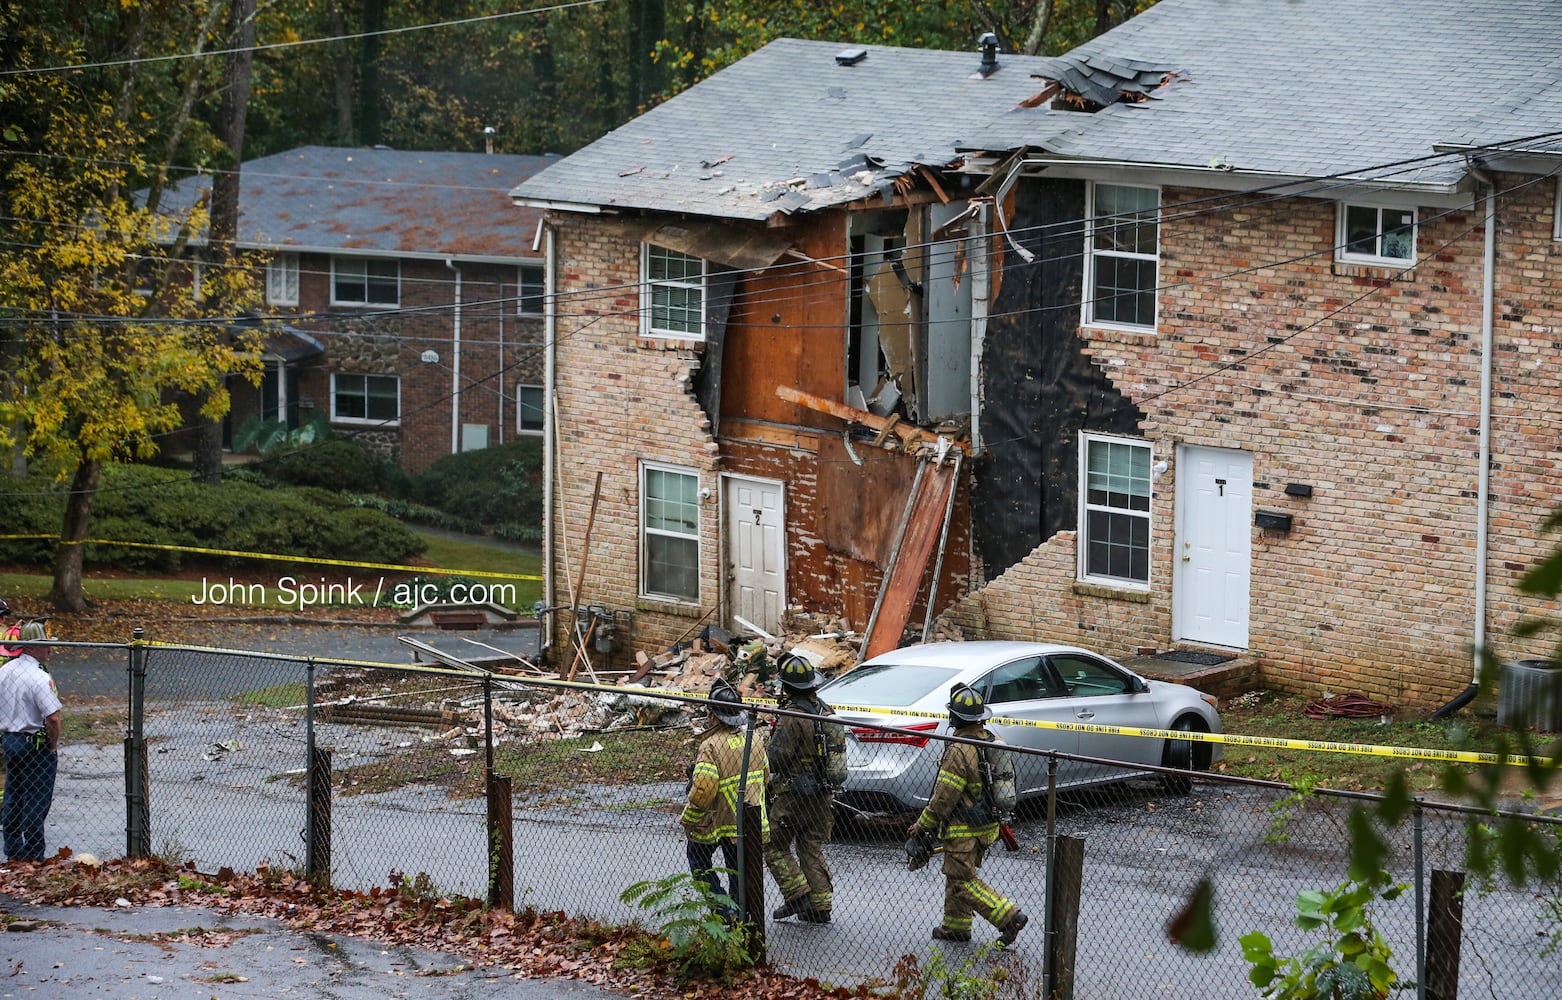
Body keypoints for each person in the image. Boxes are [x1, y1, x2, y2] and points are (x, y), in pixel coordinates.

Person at [906, 683, 1027, 947]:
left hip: (963, 829)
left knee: (963, 882)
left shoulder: (960, 749)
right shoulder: (992, 741)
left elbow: (944, 797)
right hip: (986, 826)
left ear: (954, 717)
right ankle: (955, 927)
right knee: (955, 875)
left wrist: (922, 825)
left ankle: (1010, 917)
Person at [680, 677, 769, 921]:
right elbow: (766, 776)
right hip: (749, 819)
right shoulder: (755, 739)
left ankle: (722, 910)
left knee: (698, 859)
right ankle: (740, 914)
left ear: (713, 717)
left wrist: (689, 818)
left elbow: (704, 791)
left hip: (716, 819)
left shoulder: (711, 745)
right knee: (737, 868)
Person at [765, 653, 842, 924]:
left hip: (792, 796)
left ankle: (798, 895)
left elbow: (777, 758)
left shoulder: (791, 717)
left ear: (787, 687)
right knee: (811, 846)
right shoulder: (826, 712)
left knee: (773, 845)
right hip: (822, 796)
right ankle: (820, 907)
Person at [0, 621, 62, 861]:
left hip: (10, 741)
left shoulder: (4, 671)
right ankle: (33, 855)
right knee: (37, 799)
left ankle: (13, 850)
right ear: (33, 648)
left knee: (14, 795)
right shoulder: (39, 677)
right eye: (45, 646)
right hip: (35, 744)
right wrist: (53, 745)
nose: (50, 650)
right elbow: (53, 718)